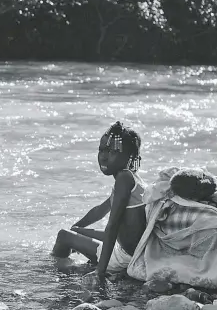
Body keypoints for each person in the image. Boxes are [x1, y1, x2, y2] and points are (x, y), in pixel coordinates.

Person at [51, 121, 147, 283]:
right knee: (75, 231)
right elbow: (100, 211)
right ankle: (72, 260)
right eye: (101, 150)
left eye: (112, 151)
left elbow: (113, 225)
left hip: (124, 256)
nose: (104, 156)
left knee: (63, 236)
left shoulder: (123, 179)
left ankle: (57, 271)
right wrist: (76, 227)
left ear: (129, 157)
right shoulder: (131, 178)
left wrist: (100, 272)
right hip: (133, 249)